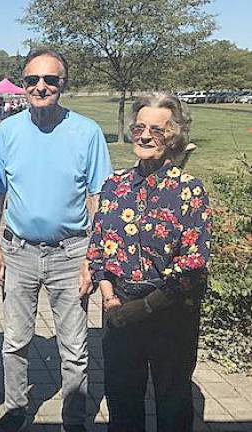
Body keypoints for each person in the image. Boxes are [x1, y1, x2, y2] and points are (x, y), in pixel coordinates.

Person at [0, 49, 112, 432]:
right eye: (32, 80)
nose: (40, 87)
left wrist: (91, 259)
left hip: (71, 253)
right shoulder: (8, 131)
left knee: (74, 348)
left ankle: (74, 418)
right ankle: (15, 408)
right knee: (15, 341)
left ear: (63, 85)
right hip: (18, 250)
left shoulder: (86, 131)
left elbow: (98, 199)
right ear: (23, 85)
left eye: (50, 80)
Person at [86, 94, 212, 432]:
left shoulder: (189, 190)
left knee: (172, 404)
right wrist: (109, 295)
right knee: (122, 403)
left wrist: (141, 309)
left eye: (157, 130)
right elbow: (98, 249)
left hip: (170, 311)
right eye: (139, 127)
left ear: (175, 136)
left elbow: (193, 263)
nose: (144, 136)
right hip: (119, 307)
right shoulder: (114, 186)